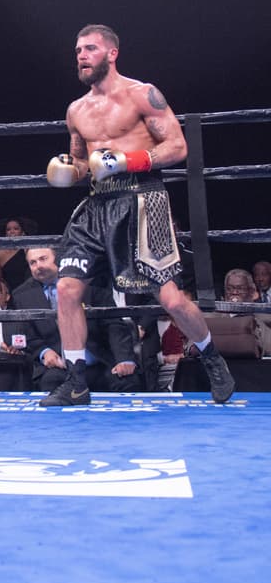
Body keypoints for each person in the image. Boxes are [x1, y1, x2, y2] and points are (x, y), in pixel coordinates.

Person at [42, 23, 234, 405]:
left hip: (144, 201)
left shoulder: (142, 94)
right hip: (96, 207)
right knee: (66, 289)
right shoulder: (76, 110)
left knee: (172, 299)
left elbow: (178, 146)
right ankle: (77, 383)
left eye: (90, 49)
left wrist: (129, 159)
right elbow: (84, 162)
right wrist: (70, 171)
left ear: (112, 53)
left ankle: (212, 359)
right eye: (78, 50)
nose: (81, 55)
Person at [8, 248, 137, 393]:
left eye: (43, 259)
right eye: (33, 263)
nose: (38, 266)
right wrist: (44, 352)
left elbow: (114, 325)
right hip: (59, 367)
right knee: (50, 383)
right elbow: (26, 333)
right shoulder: (22, 294)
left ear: (58, 259)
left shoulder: (90, 283)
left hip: (99, 361)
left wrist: (124, 359)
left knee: (127, 381)